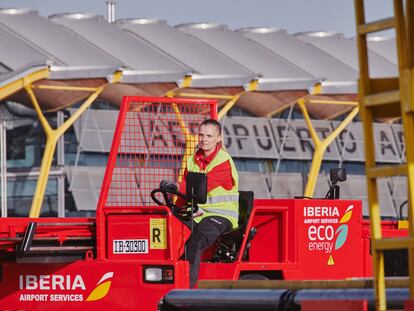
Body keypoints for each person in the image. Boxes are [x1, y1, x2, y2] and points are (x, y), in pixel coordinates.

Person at [159, 119, 239, 288]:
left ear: (219, 138)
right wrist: (175, 210)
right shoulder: (192, 161)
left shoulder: (223, 161)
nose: (204, 139)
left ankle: (187, 294)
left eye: (209, 136)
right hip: (198, 214)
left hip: (221, 216)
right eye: (201, 135)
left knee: (195, 243)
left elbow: (201, 187)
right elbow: (183, 195)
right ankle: (166, 283)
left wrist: (175, 186)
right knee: (169, 233)